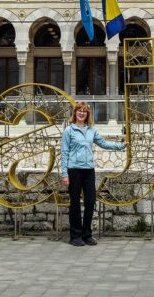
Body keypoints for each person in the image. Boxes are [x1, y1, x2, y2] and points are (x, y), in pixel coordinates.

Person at [60, 102, 125, 247]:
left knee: (90, 202)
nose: (82, 113)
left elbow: (103, 143)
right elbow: (64, 153)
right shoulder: (69, 131)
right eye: (79, 111)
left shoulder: (91, 130)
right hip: (74, 170)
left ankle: (87, 234)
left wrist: (121, 146)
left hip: (89, 170)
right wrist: (64, 174)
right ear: (75, 113)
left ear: (88, 114)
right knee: (75, 203)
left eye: (85, 111)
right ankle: (75, 236)